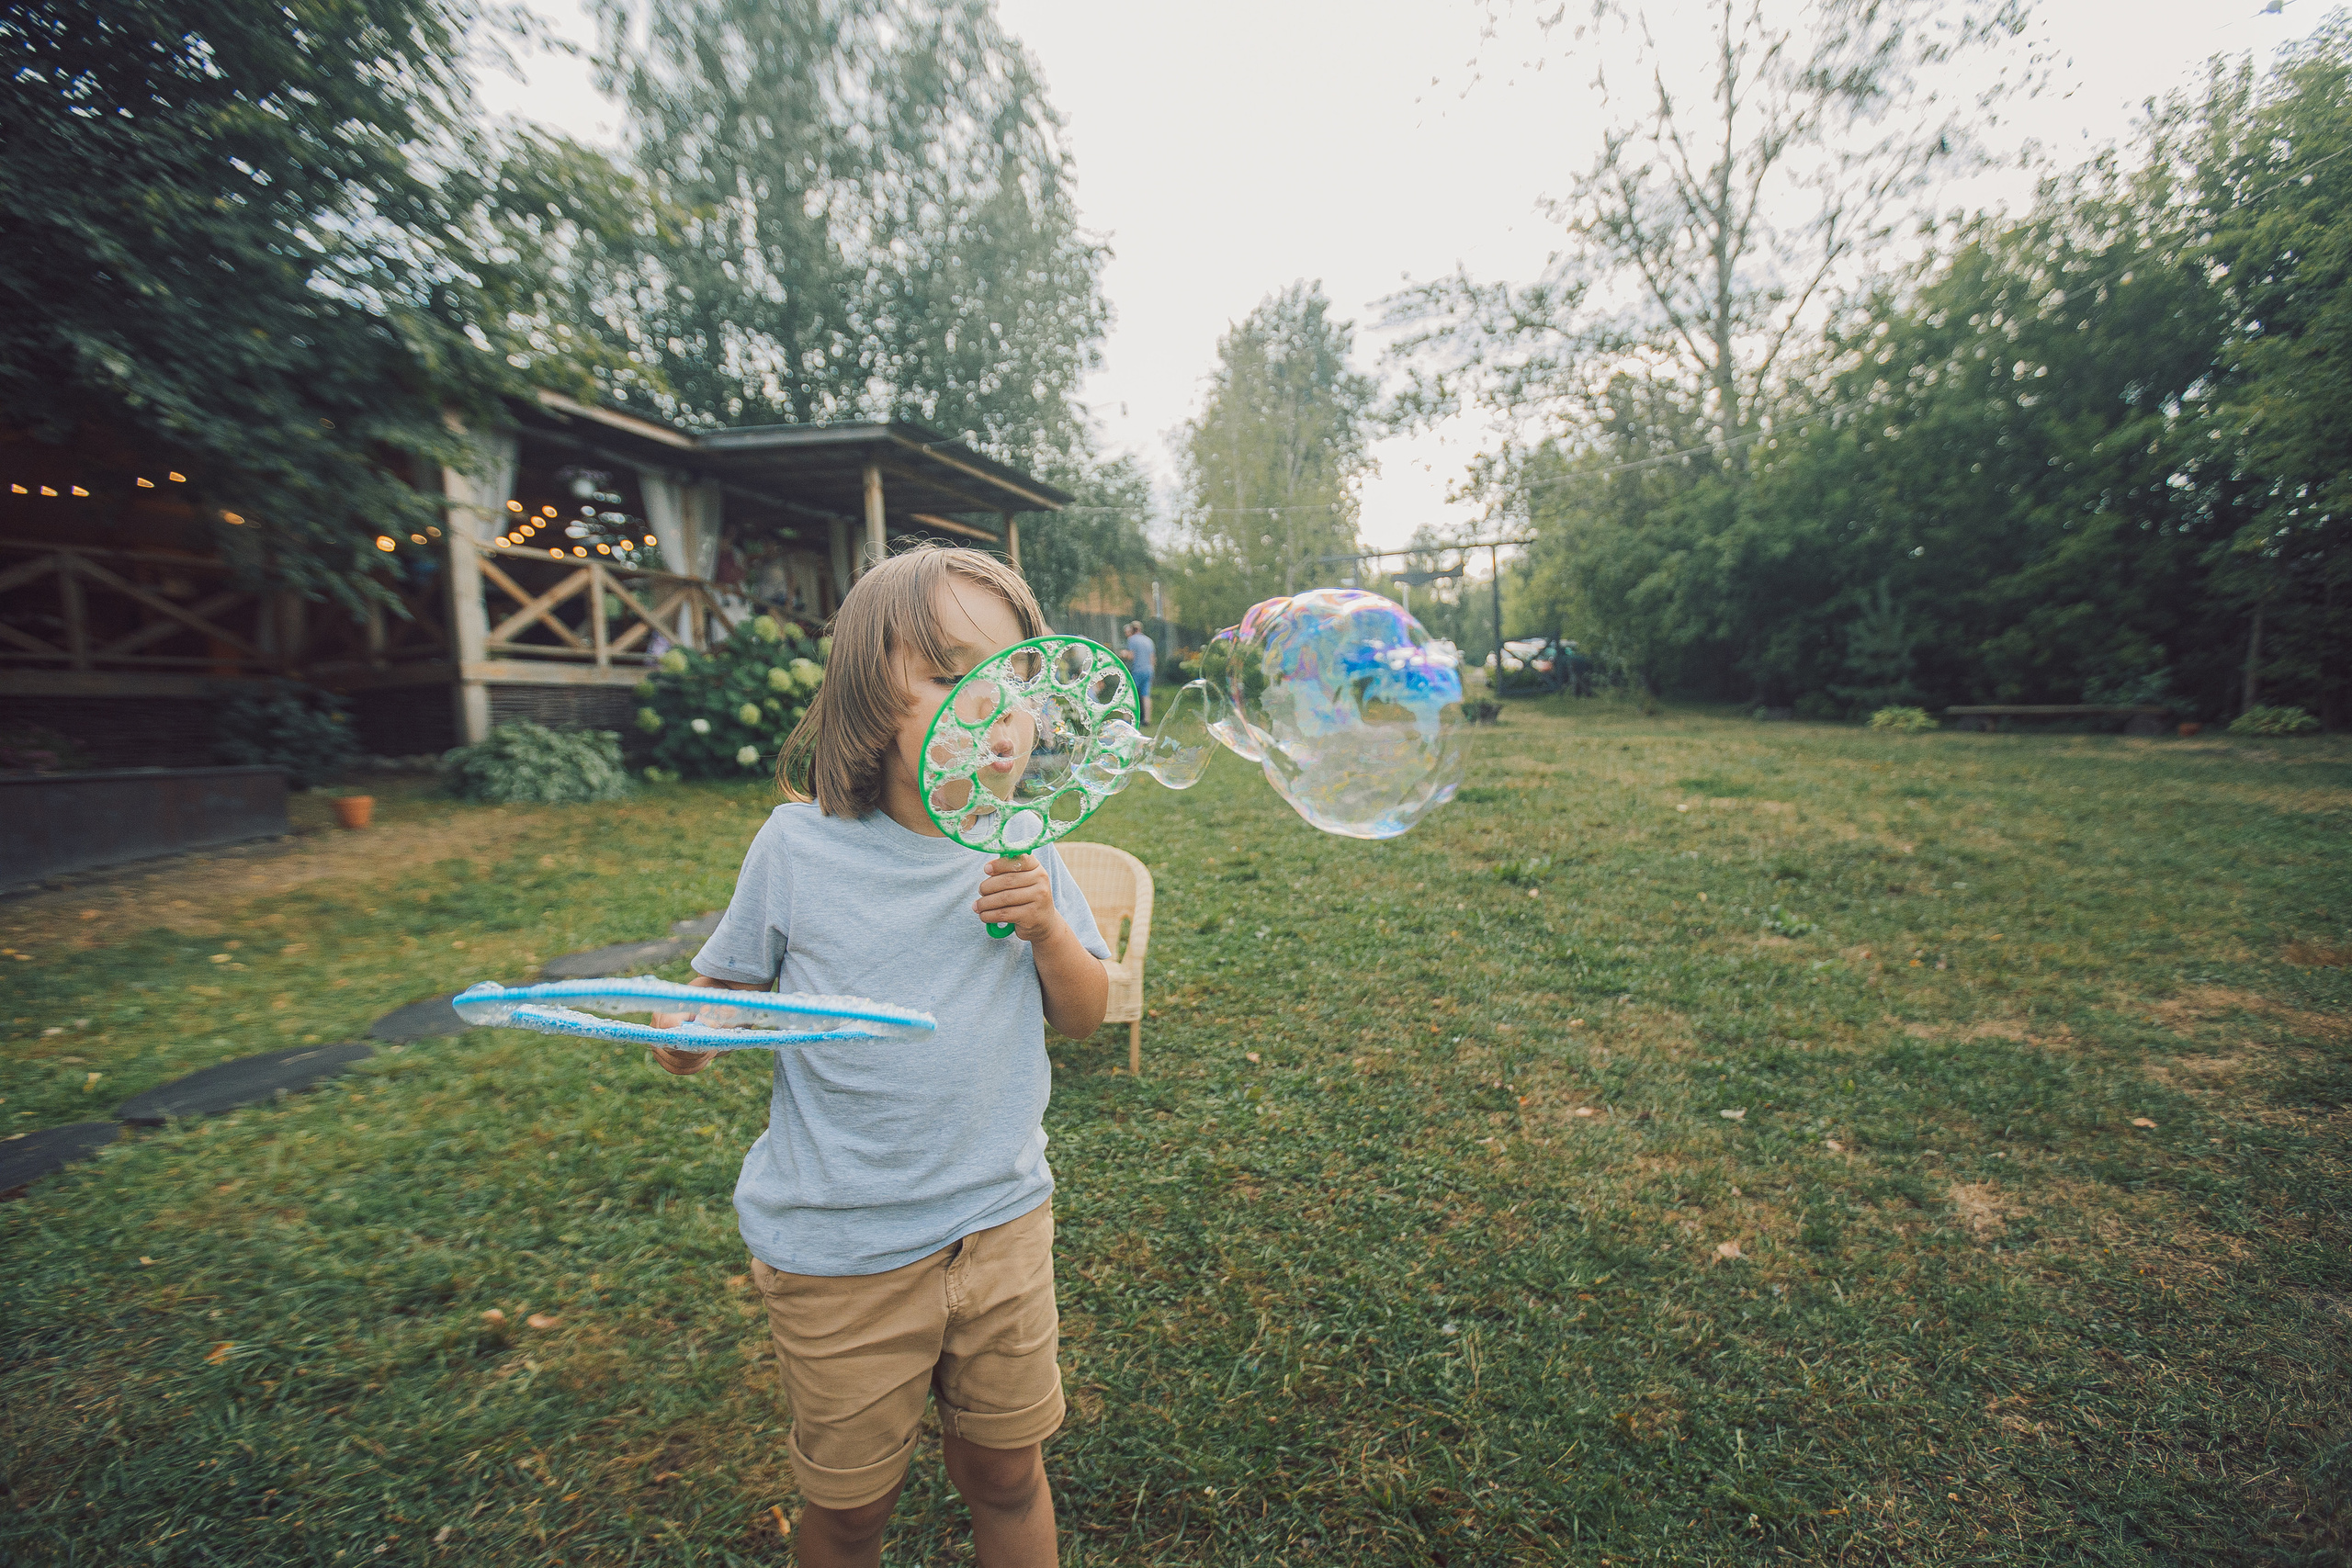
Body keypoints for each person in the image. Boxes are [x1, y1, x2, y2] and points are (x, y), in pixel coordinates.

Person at [650, 545, 1111, 1568]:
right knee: (852, 1510)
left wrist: (1047, 933)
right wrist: (689, 1039)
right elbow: (720, 995)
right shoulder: (797, 850)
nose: (991, 703)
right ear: (867, 697)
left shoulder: (1020, 846)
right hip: (841, 1251)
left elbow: (1082, 1014)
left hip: (1000, 1224)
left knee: (1007, 1473)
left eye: (1014, 677)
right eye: (954, 673)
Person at [1123, 619, 1155, 723]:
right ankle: (1147, 720)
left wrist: (1124, 654)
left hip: (1138, 670)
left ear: (1132, 630)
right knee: (1146, 695)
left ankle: (1127, 718)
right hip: (1148, 670)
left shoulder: (1132, 640)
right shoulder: (1148, 640)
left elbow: (1131, 656)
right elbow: (1152, 658)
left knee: (1129, 693)